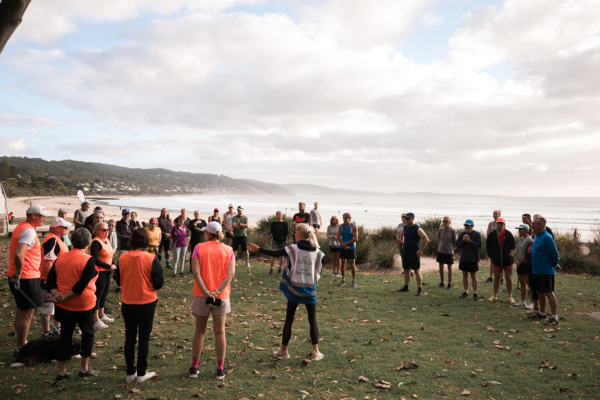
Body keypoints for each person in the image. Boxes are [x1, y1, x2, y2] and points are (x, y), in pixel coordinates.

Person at [248, 223, 324, 362]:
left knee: (289, 318)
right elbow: (319, 272)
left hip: (294, 290)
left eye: (295, 232)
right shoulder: (318, 252)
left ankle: (283, 351)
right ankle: (316, 352)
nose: (294, 234)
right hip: (310, 291)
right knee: (312, 319)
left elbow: (275, 253)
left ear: (300, 234)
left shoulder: (293, 249)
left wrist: (259, 249)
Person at [46, 228, 99, 381]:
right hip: (83, 305)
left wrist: (57, 294)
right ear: (88, 243)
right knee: (87, 335)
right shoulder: (88, 260)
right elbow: (80, 286)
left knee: (65, 336)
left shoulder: (61, 257)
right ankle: (84, 369)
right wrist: (62, 297)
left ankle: (62, 372)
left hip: (64, 306)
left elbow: (50, 280)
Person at [115, 228, 164, 383]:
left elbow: (119, 280)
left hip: (128, 302)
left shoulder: (122, 258)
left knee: (130, 338)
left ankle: (131, 373)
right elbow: (159, 283)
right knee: (143, 338)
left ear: (131, 241)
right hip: (146, 302)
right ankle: (141, 373)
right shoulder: (151, 258)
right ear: (146, 241)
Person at [189, 221, 236, 380]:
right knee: (220, 332)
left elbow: (196, 273)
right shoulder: (228, 250)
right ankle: (220, 370)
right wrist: (216, 292)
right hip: (221, 296)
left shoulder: (198, 248)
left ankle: (194, 368)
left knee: (200, 332)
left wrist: (207, 292)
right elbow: (230, 275)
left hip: (201, 295)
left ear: (207, 233)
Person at [8, 204, 51, 354]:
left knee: (22, 311)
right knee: (26, 313)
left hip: (24, 275)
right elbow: (19, 254)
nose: (44, 219)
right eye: (42, 216)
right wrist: (19, 272)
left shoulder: (22, 227)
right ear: (33, 216)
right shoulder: (28, 231)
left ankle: (22, 343)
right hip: (26, 276)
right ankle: (21, 348)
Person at [39, 217, 71, 337]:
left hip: (55, 278)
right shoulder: (52, 240)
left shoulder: (58, 239)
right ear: (56, 228)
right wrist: (52, 279)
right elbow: (47, 261)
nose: (67, 229)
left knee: (57, 304)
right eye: (65, 227)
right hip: (48, 279)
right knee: (47, 306)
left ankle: (57, 329)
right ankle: (47, 332)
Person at [528, 216, 560, 325]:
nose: (532, 225)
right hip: (536, 270)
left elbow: (554, 253)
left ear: (542, 225)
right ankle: (542, 313)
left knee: (548, 293)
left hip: (546, 271)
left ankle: (555, 318)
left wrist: (555, 264)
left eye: (534, 224)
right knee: (538, 291)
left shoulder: (547, 237)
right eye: (532, 224)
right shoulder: (537, 236)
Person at [90, 222, 116, 329]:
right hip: (100, 271)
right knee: (98, 294)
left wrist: (113, 264)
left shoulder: (106, 240)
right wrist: (108, 266)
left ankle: (102, 314)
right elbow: (94, 259)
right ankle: (95, 319)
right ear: (97, 231)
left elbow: (110, 254)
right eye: (104, 230)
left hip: (107, 271)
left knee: (104, 293)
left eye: (107, 229)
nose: (107, 231)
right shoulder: (96, 242)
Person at [398, 213, 430, 296]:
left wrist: (420, 250)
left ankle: (420, 289)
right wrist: (402, 243)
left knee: (416, 271)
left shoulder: (417, 228)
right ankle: (406, 287)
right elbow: (401, 234)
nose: (406, 220)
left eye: (407, 218)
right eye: (405, 218)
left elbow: (426, 239)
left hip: (414, 253)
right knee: (406, 270)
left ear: (412, 219)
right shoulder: (405, 227)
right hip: (406, 252)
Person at [486, 217, 516, 303]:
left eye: (501, 223)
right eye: (498, 223)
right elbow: (488, 246)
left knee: (508, 278)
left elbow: (513, 246)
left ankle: (510, 296)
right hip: (497, 260)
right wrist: (492, 256)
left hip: (508, 260)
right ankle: (494, 295)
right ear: (496, 224)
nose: (500, 225)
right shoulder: (491, 235)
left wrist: (510, 255)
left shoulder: (508, 234)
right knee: (496, 278)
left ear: (504, 224)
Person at [456, 219, 482, 300]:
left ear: (472, 226)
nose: (466, 227)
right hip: (464, 257)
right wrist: (464, 241)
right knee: (464, 274)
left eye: (468, 225)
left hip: (473, 258)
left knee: (473, 275)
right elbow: (458, 244)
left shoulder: (477, 234)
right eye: (465, 225)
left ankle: (475, 293)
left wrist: (470, 241)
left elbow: (479, 245)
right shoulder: (462, 234)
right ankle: (466, 292)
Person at [115, 209, 136, 293]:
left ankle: (128, 284)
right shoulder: (119, 223)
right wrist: (132, 234)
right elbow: (122, 234)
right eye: (125, 214)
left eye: (128, 214)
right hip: (122, 248)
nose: (127, 215)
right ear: (122, 214)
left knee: (131, 267)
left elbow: (136, 232)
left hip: (132, 248)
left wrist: (130, 233)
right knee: (121, 267)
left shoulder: (133, 222)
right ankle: (118, 285)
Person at [337, 213, 358, 287]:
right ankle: (343, 280)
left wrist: (346, 244)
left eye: (346, 218)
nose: (344, 220)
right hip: (343, 247)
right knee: (343, 263)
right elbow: (338, 237)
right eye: (343, 218)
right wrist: (343, 244)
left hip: (351, 248)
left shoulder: (354, 226)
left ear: (349, 218)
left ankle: (354, 281)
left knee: (352, 264)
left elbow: (356, 238)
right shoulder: (341, 226)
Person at [514, 224, 533, 307]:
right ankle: (523, 300)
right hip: (519, 263)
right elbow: (517, 250)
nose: (519, 231)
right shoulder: (520, 239)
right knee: (522, 283)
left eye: (521, 229)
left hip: (526, 263)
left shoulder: (530, 239)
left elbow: (527, 252)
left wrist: (521, 261)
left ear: (526, 230)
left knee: (530, 284)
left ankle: (533, 302)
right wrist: (517, 260)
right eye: (519, 229)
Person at [437, 216, 457, 288]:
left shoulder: (453, 231)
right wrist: (441, 247)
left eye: (446, 221)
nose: (444, 223)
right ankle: (442, 281)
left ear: (449, 222)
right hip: (441, 251)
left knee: (449, 267)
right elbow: (439, 240)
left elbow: (455, 243)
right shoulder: (440, 229)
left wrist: (452, 249)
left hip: (449, 252)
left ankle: (449, 282)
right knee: (441, 266)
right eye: (443, 221)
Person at [486, 210, 502, 283]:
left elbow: (502, 232)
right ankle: (491, 277)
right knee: (492, 261)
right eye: (494, 214)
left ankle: (502, 278)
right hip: (492, 244)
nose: (495, 215)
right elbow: (488, 232)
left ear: (499, 215)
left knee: (501, 261)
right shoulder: (490, 223)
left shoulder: (502, 223)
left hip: (500, 244)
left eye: (496, 214)